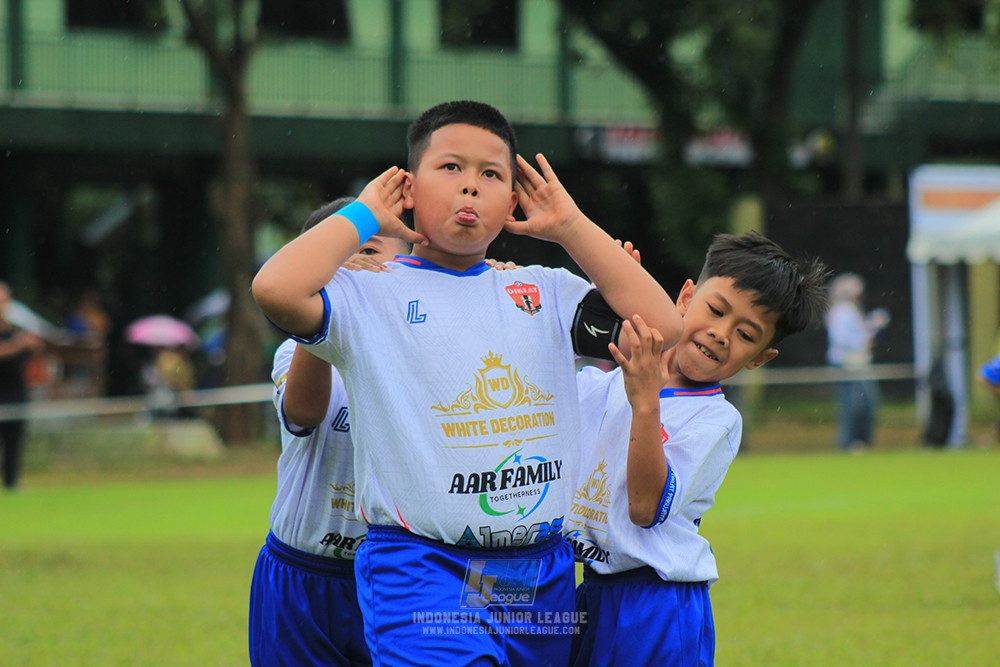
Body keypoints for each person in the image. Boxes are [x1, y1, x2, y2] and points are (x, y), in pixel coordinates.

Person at [252, 100, 682, 665]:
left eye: (491, 175)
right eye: (450, 168)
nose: (470, 188)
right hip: (423, 566)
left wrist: (573, 229)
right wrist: (363, 214)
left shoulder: (542, 290)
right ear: (408, 190)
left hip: (537, 573)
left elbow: (664, 325)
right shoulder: (368, 292)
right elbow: (275, 289)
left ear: (512, 202)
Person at [566, 232, 829, 666]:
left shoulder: (717, 422)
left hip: (658, 606)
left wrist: (646, 401)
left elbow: (645, 507)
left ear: (759, 358)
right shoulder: (603, 382)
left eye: (746, 334)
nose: (721, 334)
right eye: (716, 309)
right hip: (590, 592)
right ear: (686, 296)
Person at [249, 196, 411, 667]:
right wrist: (321, 305)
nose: (355, 264)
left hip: (392, 576)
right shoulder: (292, 352)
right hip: (303, 575)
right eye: (339, 255)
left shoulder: (428, 356)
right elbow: (304, 412)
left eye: (373, 249)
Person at [825, 273, 889, 451]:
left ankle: (857, 440)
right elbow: (843, 338)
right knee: (854, 404)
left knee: (861, 402)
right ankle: (850, 441)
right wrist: (866, 339)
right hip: (848, 364)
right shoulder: (842, 311)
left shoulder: (849, 311)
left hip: (856, 363)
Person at [0, 281, 44, 491]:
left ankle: (11, 482)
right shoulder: (15, 339)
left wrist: (33, 346)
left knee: (13, 441)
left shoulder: (16, 329)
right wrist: (19, 345)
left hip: (15, 392)